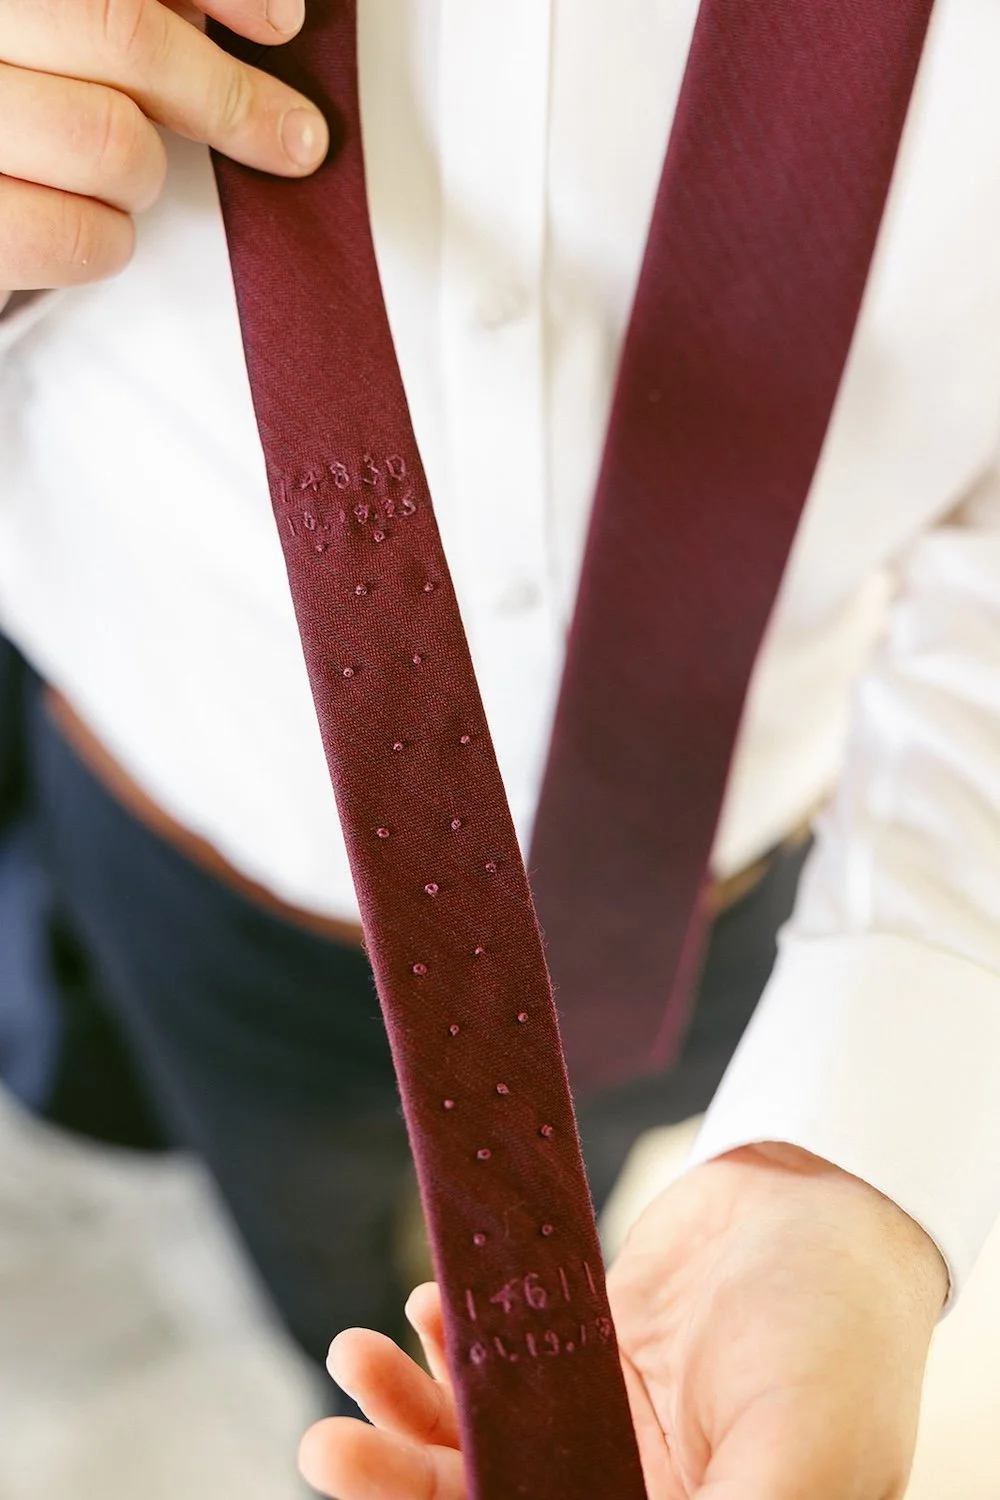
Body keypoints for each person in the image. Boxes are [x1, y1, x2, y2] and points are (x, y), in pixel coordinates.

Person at [2, 1, 999, 1495]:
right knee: (327, 1278)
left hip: (765, 890)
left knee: (611, 1178)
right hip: (200, 850)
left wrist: (842, 1160)